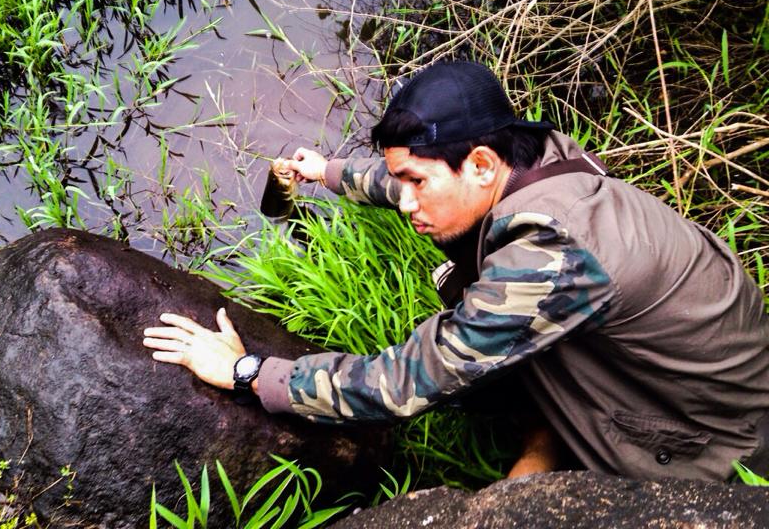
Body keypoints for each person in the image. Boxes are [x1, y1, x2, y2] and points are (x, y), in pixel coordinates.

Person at [143, 61, 769, 481]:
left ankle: (549, 447)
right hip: (654, 374)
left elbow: (405, 380)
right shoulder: (539, 158)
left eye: (418, 182)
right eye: (402, 179)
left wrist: (246, 372)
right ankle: (547, 434)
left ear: (479, 164)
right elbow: (409, 176)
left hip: (704, 442)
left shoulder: (551, 253)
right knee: (462, 285)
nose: (407, 201)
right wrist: (327, 173)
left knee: (458, 321)